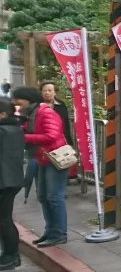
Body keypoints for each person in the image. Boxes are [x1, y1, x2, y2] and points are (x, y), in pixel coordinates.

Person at [13, 86, 70, 247]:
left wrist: (25, 137)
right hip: (42, 158)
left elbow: (52, 135)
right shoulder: (31, 114)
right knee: (43, 197)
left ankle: (59, 234)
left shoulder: (45, 112)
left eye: (19, 100)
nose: (16, 104)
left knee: (55, 198)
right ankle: (50, 231)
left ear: (28, 99)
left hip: (54, 158)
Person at [0, 98, 26, 270]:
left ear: (3, 114)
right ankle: (9, 254)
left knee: (4, 220)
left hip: (4, 181)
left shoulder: (3, 130)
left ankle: (11, 256)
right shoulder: (15, 128)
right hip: (11, 179)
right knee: (4, 219)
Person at [41, 81, 78, 180]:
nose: (47, 93)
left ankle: (61, 184)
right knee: (43, 169)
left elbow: (65, 124)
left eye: (50, 90)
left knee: (60, 165)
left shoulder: (61, 105)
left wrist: (69, 142)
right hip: (42, 142)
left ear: (55, 92)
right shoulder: (37, 105)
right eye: (44, 90)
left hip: (59, 141)